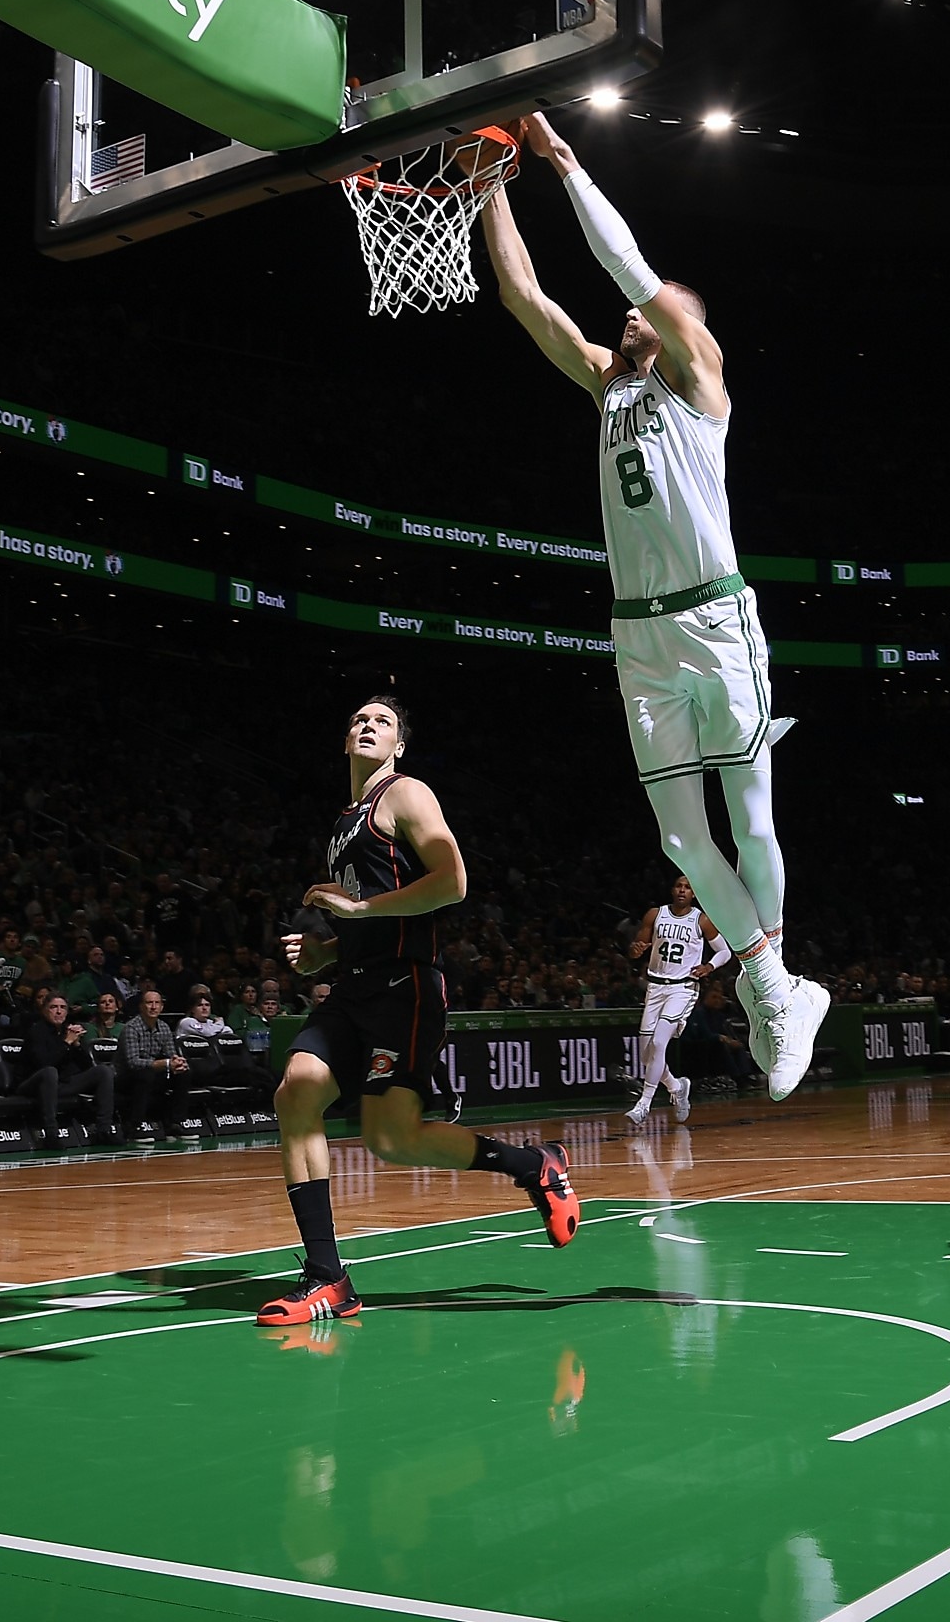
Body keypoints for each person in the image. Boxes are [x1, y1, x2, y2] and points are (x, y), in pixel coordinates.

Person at [481, 112, 830, 1099]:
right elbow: (522, 295)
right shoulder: (606, 384)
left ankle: (780, 976)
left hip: (717, 620)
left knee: (750, 816)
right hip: (638, 632)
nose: (634, 309)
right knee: (682, 839)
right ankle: (773, 983)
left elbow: (632, 267)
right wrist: (487, 183)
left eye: (655, 305)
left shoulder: (697, 376)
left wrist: (564, 162)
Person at [259, 696, 578, 1327]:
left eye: (382, 721)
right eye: (357, 719)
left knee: (392, 1139)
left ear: (399, 744)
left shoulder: (405, 795)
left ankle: (531, 1165)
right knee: (296, 1092)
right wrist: (323, 952)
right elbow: (364, 918)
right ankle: (328, 1280)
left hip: (404, 990)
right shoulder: (342, 825)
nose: (367, 725)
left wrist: (357, 913)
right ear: (344, 741)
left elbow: (452, 880)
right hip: (350, 988)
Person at [626, 873, 728, 1126]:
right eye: (679, 886)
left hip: (682, 988)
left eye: (688, 887)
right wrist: (635, 950)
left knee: (660, 1043)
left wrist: (709, 967)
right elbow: (636, 947)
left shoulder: (701, 920)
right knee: (647, 1056)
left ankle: (643, 1104)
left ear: (694, 894)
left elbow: (725, 951)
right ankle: (677, 1087)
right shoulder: (655, 914)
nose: (682, 890)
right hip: (655, 987)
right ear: (672, 890)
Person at [18, 992, 119, 1146]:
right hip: (33, 1084)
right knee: (50, 1072)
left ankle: (103, 1130)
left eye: (62, 1008)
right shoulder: (36, 1031)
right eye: (53, 1007)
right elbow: (44, 1064)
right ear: (44, 1010)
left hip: (62, 1084)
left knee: (103, 1071)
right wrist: (66, 1043)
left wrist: (77, 1045)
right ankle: (51, 1133)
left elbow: (87, 1066)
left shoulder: (68, 1031)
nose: (59, 1011)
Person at [117, 988, 190, 1135]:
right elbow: (133, 1062)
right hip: (125, 1077)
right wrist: (165, 1063)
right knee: (146, 1075)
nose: (153, 1006)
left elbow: (171, 1054)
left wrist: (178, 1063)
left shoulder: (164, 1027)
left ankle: (175, 1123)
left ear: (162, 1007)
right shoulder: (131, 1028)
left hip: (152, 1072)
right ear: (141, 1006)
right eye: (149, 1003)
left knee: (184, 1073)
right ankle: (134, 1125)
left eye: (157, 1003)